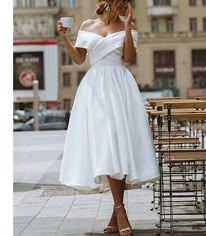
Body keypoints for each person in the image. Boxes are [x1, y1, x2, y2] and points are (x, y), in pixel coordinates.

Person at [57, 0, 160, 235]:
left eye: (126, 2)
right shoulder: (87, 24)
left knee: (119, 147)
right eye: (120, 1)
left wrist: (126, 26)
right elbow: (79, 59)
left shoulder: (129, 25)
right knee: (107, 145)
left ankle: (117, 212)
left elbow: (128, 58)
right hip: (95, 89)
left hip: (120, 87)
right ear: (108, 2)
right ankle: (120, 210)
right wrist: (65, 37)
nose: (124, 4)